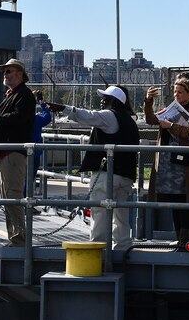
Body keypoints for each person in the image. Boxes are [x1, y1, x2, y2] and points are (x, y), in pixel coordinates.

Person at [47, 85, 139, 249]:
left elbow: (86, 116)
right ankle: (123, 247)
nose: (102, 100)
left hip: (106, 174)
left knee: (99, 212)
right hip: (125, 175)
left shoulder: (109, 116)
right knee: (121, 214)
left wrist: (63, 108)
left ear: (114, 101)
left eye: (106, 98)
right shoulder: (130, 120)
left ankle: (99, 247)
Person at [0, 59, 35, 247]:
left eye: (8, 71)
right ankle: (15, 237)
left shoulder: (24, 95)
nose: (5, 74)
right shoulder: (13, 95)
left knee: (12, 196)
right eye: (4, 71)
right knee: (6, 197)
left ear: (19, 74)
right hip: (5, 151)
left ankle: (19, 239)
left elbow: (19, 117)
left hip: (13, 151)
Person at [143, 78, 189, 250]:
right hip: (167, 164)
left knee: (185, 200)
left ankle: (187, 239)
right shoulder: (172, 109)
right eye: (175, 92)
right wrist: (149, 100)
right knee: (173, 200)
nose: (177, 95)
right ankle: (180, 238)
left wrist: (171, 126)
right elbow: (150, 119)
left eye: (180, 92)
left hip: (184, 165)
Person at [27, 89, 52, 199]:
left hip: (19, 152)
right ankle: (27, 202)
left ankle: (19, 203)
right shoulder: (35, 119)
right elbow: (47, 117)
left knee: (19, 178)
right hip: (34, 153)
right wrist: (42, 103)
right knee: (29, 178)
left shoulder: (20, 118)